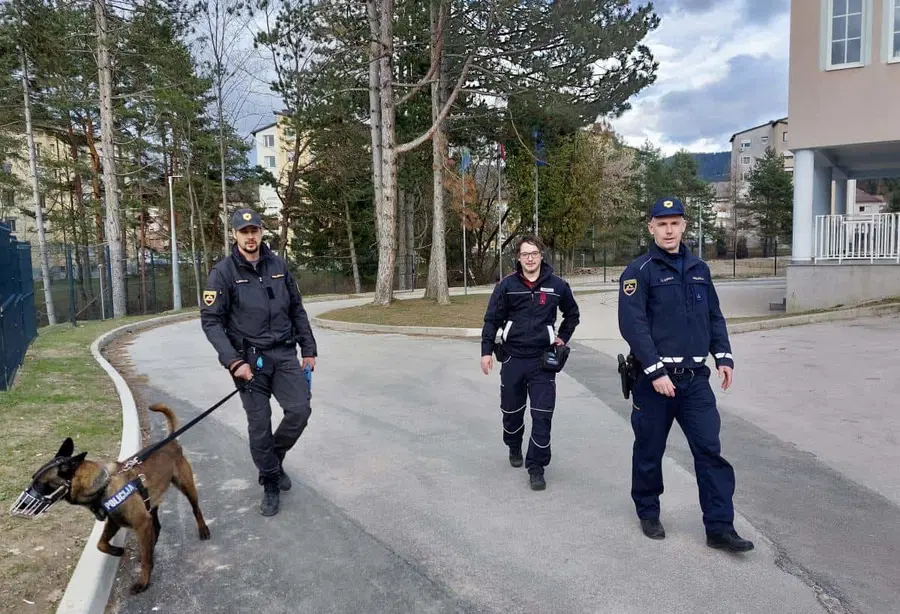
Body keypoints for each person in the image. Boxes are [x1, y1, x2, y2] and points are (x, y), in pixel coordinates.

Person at [617, 196, 753, 552]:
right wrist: (655, 370)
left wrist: (723, 356)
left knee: (710, 451)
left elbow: (714, 316)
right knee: (649, 450)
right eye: (662, 224)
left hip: (695, 381)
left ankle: (720, 527)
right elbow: (634, 325)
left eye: (675, 223)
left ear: (684, 226)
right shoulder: (639, 271)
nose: (669, 230)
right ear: (651, 227)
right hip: (654, 382)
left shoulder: (699, 269)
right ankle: (648, 510)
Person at [200, 208, 317, 517]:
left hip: (284, 354)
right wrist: (233, 362)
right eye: (243, 231)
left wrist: (309, 348)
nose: (250, 236)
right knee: (260, 424)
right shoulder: (222, 273)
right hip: (249, 363)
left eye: (254, 230)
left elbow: (297, 309)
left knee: (300, 410)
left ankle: (272, 463)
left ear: (262, 231)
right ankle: (269, 482)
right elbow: (212, 322)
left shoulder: (278, 265)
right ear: (234, 235)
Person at [480, 235, 580, 491]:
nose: (530, 258)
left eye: (534, 253)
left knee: (542, 416)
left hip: (542, 362)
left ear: (541, 255)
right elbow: (492, 320)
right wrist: (486, 351)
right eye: (525, 254)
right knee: (512, 413)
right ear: (518, 257)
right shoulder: (507, 286)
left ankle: (536, 467)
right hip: (513, 359)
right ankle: (514, 445)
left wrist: (562, 338)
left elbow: (572, 315)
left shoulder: (557, 285)